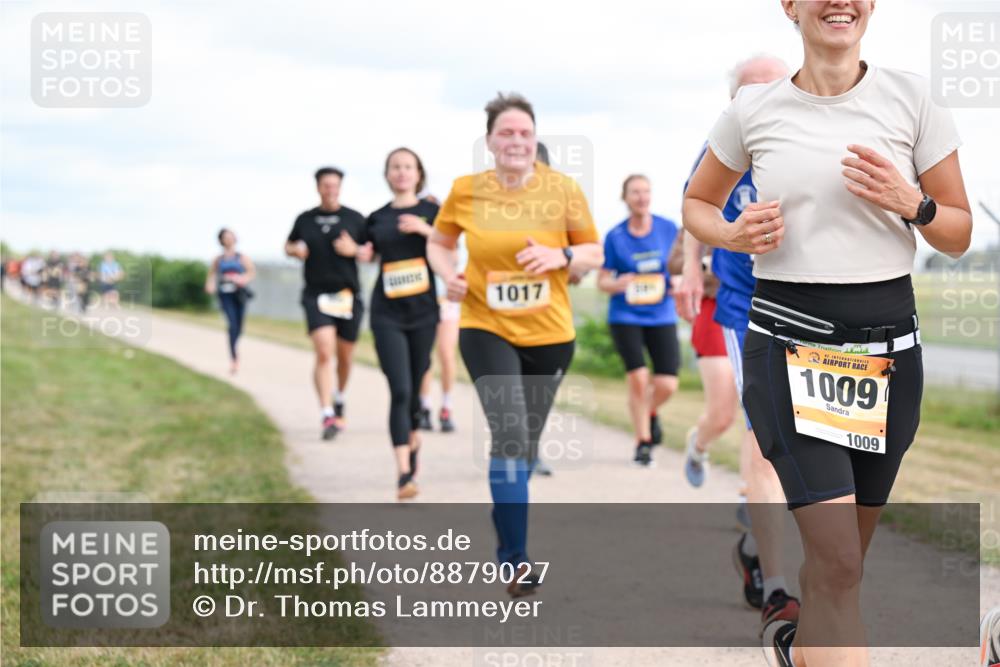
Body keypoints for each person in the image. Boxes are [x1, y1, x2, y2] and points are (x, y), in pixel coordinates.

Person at [684, 2, 971, 665]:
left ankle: (799, 648)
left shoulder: (913, 98)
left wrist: (914, 203)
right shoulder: (755, 111)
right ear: (790, 5)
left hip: (890, 358)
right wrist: (731, 233)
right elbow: (697, 203)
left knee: (841, 569)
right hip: (790, 346)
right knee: (838, 560)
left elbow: (956, 232)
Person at [427, 92, 602, 597]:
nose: (516, 141)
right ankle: (516, 561)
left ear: (535, 138)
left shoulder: (562, 189)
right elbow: (439, 243)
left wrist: (561, 254)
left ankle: (505, 514)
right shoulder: (466, 191)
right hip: (485, 326)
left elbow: (593, 250)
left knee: (521, 451)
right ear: (490, 141)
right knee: (507, 437)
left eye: (525, 132)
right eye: (506, 132)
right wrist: (447, 276)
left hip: (550, 335)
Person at [677, 54, 796, 623]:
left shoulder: (815, 142)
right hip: (746, 309)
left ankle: (755, 547)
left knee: (820, 452)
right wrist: (688, 269)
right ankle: (778, 586)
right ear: (734, 105)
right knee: (763, 444)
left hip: (818, 311)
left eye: (776, 89)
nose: (766, 101)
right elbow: (694, 205)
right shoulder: (721, 150)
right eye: (752, 94)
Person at [363, 147, 440, 499]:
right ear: (387, 174)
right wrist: (362, 252)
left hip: (424, 312)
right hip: (387, 313)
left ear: (418, 173)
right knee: (400, 389)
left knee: (415, 391)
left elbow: (451, 246)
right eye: (395, 167)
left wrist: (425, 230)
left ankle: (413, 444)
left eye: (408, 166)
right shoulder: (376, 217)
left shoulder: (433, 212)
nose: (402, 172)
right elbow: (366, 251)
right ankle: (403, 473)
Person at [597, 175, 680, 466]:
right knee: (638, 378)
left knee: (667, 384)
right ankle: (643, 442)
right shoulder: (615, 236)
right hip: (625, 315)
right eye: (635, 192)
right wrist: (621, 282)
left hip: (662, 314)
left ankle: (649, 411)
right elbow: (602, 281)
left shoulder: (668, 228)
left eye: (646, 191)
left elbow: (683, 266)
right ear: (625, 197)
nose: (641, 197)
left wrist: (677, 283)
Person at [285, 167, 368, 440]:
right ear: (318, 187)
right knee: (323, 351)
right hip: (316, 295)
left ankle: (339, 396)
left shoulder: (354, 219)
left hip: (347, 297)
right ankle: (326, 414)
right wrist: (295, 250)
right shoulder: (305, 219)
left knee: (345, 356)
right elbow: (288, 244)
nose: (330, 190)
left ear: (340, 187)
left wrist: (354, 250)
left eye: (335, 185)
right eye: (325, 186)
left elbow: (373, 252)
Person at [205, 228, 255, 374]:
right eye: (226, 237)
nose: (229, 239)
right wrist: (210, 285)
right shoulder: (218, 259)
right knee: (232, 324)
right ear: (221, 240)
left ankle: (234, 345)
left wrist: (242, 279)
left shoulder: (241, 257)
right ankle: (234, 359)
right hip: (225, 295)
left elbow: (251, 272)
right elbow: (212, 275)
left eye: (231, 236)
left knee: (239, 327)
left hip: (239, 294)